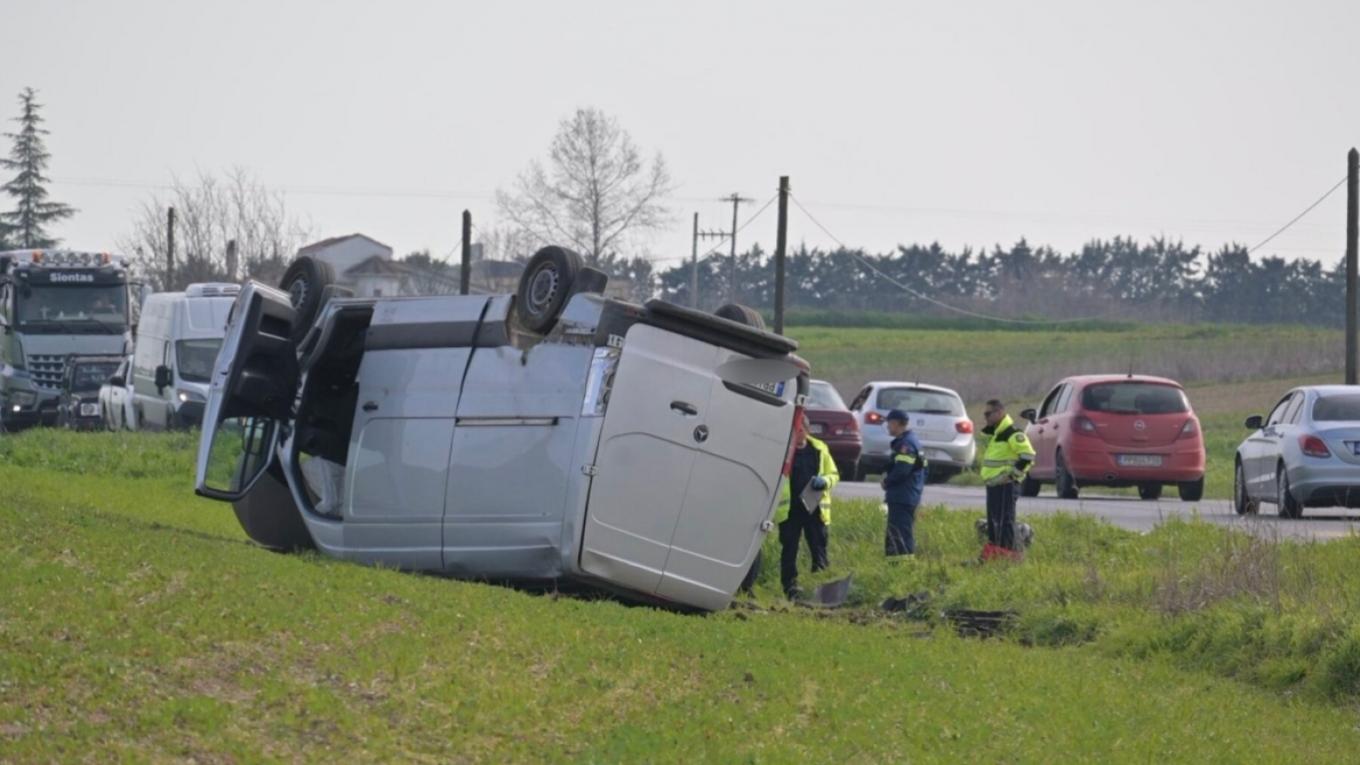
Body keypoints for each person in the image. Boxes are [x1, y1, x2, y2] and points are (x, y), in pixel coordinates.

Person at [772, 414, 840, 597]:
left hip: (814, 508)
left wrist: (824, 481)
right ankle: (790, 588)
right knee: (789, 549)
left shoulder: (819, 448)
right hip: (790, 510)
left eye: (800, 430)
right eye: (794, 430)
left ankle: (820, 586)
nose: (797, 433)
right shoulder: (784, 449)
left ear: (807, 430)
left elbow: (834, 475)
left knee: (819, 548)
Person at [978, 399, 1036, 556]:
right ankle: (994, 553)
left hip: (1006, 484)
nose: (986, 417)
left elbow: (1027, 456)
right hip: (994, 484)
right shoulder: (996, 434)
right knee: (994, 521)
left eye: (988, 414)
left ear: (999, 413)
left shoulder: (1012, 433)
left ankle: (1011, 554)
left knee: (1005, 521)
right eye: (985, 414)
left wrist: (1012, 476)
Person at [881, 409, 926, 559]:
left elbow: (902, 469)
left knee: (899, 533)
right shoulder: (912, 441)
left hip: (902, 495)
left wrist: (887, 481)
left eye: (889, 423)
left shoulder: (905, 444)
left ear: (895, 423)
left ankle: (900, 565)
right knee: (900, 531)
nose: (887, 426)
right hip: (908, 494)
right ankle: (898, 564)